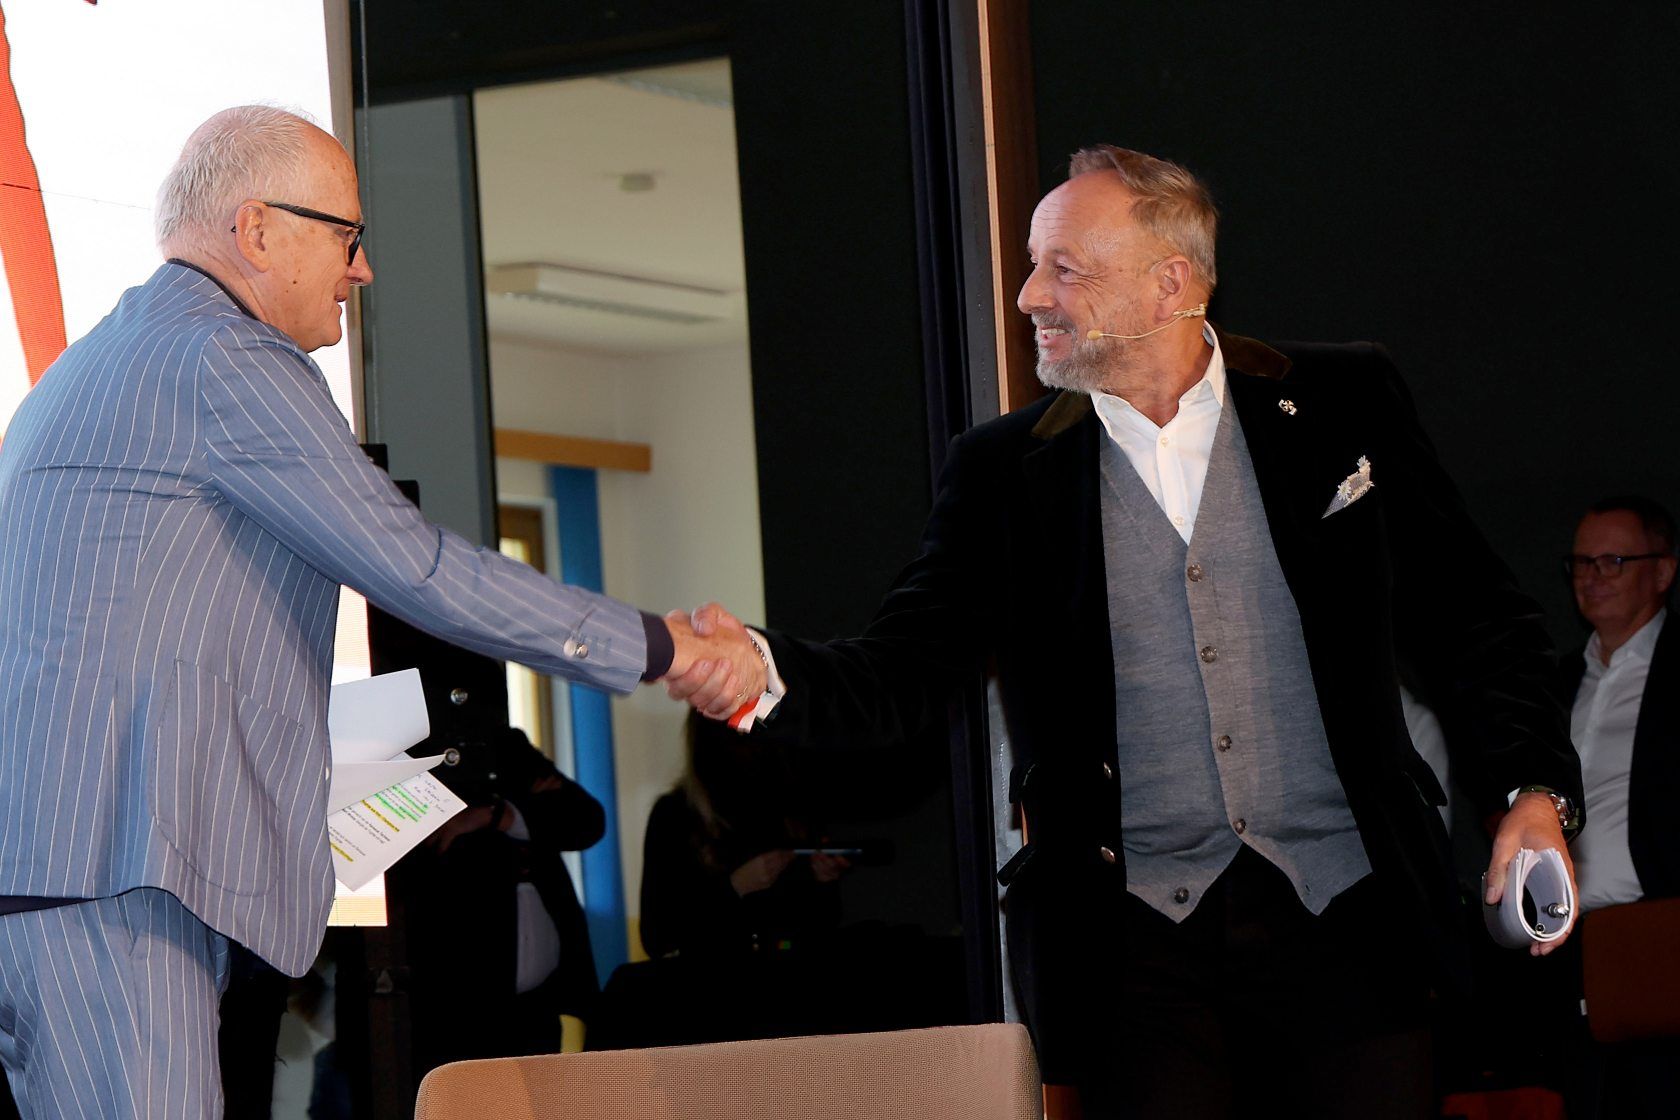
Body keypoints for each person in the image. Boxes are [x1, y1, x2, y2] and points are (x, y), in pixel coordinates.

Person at [669, 145, 1582, 1117]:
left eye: (1063, 268)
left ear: (1170, 283)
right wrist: (761, 670)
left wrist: (1532, 792)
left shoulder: (1342, 399)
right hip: (1133, 951)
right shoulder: (1002, 471)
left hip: (1351, 919)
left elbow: (1477, 615)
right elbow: (903, 667)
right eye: (1034, 265)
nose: (1029, 295)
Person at [0, 105, 759, 1119]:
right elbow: (418, 568)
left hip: (62, 877)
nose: (361, 269)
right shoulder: (227, 359)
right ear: (256, 229)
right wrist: (664, 647)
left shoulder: (105, 363)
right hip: (118, 883)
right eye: (346, 236)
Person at [1561, 496, 1680, 910]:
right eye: (1582, 562)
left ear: (1662, 572)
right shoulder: (1556, 681)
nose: (1591, 577)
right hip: (1553, 928)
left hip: (1655, 922)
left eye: (1612, 561)